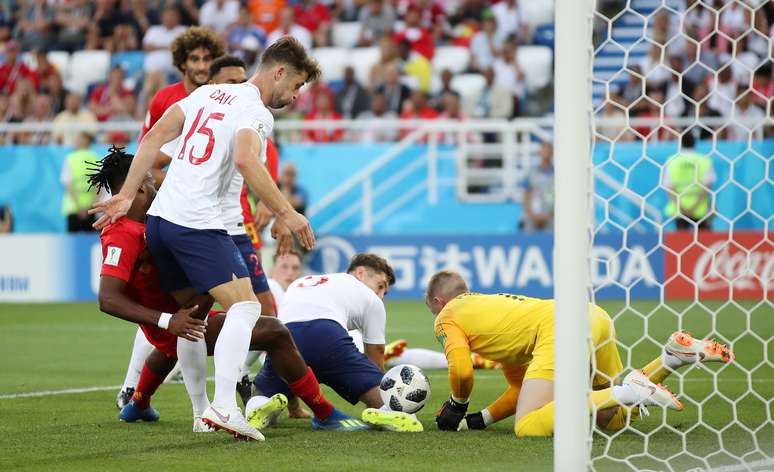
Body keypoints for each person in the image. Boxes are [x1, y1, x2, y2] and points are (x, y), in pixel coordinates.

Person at [92, 37, 322, 441]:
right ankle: (225, 407)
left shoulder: (209, 93)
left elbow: (150, 140)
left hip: (161, 221)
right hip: (196, 222)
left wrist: (126, 193)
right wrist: (287, 211)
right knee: (247, 307)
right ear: (279, 72)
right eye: (299, 84)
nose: (297, 94)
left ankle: (201, 412)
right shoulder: (257, 111)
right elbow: (247, 159)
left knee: (194, 320)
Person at [89, 146, 359, 434]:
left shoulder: (152, 222)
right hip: (174, 319)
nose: (157, 182)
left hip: (178, 313)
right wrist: (169, 321)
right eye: (151, 180)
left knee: (177, 342)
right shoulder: (123, 233)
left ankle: (139, 403)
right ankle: (324, 412)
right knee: (275, 332)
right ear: (139, 189)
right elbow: (108, 298)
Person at [425, 270, 734, 436]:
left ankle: (630, 389)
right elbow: (521, 389)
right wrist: (477, 421)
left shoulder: (447, 317)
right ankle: (670, 358)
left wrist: (457, 405)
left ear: (439, 302)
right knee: (610, 419)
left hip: (560, 329)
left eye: (431, 311)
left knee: (528, 426)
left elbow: (463, 371)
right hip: (593, 316)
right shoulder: (491, 314)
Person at [114, 26, 226, 410]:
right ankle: (133, 388)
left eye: (206, 59)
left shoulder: (222, 100)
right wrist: (163, 179)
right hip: (171, 211)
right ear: (182, 63)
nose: (200, 65)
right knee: (168, 302)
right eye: (193, 59)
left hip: (209, 211)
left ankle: (221, 388)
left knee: (188, 305)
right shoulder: (166, 99)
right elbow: (149, 149)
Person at [249, 253, 423, 432]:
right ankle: (388, 412)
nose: (380, 296)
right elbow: (376, 351)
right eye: (380, 286)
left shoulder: (302, 282)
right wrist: (374, 391)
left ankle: (259, 407)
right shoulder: (371, 300)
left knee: (261, 392)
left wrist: (293, 406)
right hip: (327, 335)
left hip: (286, 336)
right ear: (360, 273)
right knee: (386, 400)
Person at [663, 133, 715, 230]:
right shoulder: (704, 160)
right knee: (704, 242)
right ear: (695, 143)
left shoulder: (672, 160)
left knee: (682, 243)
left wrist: (682, 208)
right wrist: (694, 207)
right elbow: (707, 187)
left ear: (680, 143)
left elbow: (669, 187)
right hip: (700, 208)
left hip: (679, 209)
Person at [61, 132, 99, 232]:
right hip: (89, 209)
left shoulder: (71, 158)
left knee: (73, 243)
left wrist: (80, 207)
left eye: (79, 138)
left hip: (75, 208)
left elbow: (68, 184)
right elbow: (98, 186)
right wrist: (90, 206)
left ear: (86, 140)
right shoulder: (95, 157)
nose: (76, 141)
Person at [519, 142, 554, 232]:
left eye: (548, 150)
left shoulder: (558, 174)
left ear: (552, 153)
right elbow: (526, 196)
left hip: (552, 219)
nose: (546, 153)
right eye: (544, 150)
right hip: (533, 219)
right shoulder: (531, 173)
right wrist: (532, 215)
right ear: (540, 152)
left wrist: (549, 216)